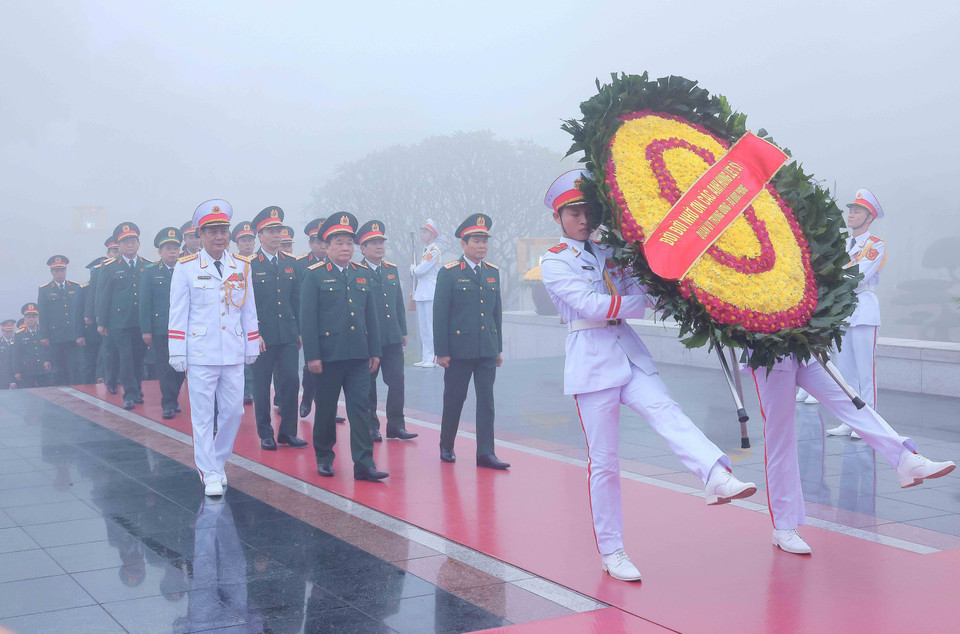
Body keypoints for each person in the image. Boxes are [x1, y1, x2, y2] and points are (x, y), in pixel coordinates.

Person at [539, 170, 757, 582]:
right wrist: (640, 299)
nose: (584, 220)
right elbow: (589, 304)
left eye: (589, 211)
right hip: (591, 362)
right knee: (603, 463)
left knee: (667, 411)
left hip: (628, 353)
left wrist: (671, 280)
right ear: (559, 217)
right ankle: (612, 549)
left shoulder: (610, 251)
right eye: (574, 212)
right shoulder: (553, 259)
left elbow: (644, 287)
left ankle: (715, 475)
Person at [750, 356, 955, 554]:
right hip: (769, 355)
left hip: (806, 350)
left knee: (850, 401)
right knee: (780, 437)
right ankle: (784, 526)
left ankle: (905, 458)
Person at [168, 199, 260, 497]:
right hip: (200, 352)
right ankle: (209, 472)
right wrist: (177, 350)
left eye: (223, 230)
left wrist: (251, 341)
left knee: (233, 412)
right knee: (203, 416)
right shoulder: (186, 268)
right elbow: (178, 311)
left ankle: (218, 462)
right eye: (212, 231)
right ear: (201, 235)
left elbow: (248, 309)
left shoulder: (241, 266)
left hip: (232, 350)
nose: (219, 237)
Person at [300, 212, 387, 481]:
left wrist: (375, 351)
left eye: (349, 243)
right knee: (326, 408)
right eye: (339, 242)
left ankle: (364, 463)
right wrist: (312, 356)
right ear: (326, 247)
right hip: (328, 356)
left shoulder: (361, 274)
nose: (345, 248)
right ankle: (325, 457)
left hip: (359, 355)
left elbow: (370, 316)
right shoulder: (314, 276)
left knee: (361, 408)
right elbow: (308, 319)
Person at [434, 214, 509, 469]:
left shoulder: (492, 273)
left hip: (486, 348)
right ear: (463, 244)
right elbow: (440, 314)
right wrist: (441, 351)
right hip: (458, 350)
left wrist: (497, 348)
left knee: (486, 402)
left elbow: (495, 313)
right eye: (476, 241)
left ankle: (486, 452)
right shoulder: (450, 273)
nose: (482, 246)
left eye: (484, 241)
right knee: (454, 399)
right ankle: (446, 444)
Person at [827, 188, 886, 438]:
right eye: (851, 210)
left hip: (863, 310)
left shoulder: (875, 245)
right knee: (846, 371)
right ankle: (851, 420)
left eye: (858, 211)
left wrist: (832, 273)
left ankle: (869, 420)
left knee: (865, 370)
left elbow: (857, 274)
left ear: (869, 217)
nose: (851, 215)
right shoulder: (844, 244)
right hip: (844, 311)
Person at [249, 206, 308, 451]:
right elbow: (247, 305)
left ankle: (288, 432)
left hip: (287, 334)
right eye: (271, 231)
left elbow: (297, 300)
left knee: (291, 381)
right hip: (262, 336)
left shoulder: (291, 263)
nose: (276, 235)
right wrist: (254, 333)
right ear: (260, 236)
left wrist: (300, 331)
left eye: (279, 230)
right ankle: (265, 432)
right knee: (261, 385)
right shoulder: (250, 264)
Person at [358, 220, 417, 442]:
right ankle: (372, 426)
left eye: (381, 242)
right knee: (369, 385)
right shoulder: (357, 272)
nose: (379, 246)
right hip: (368, 339)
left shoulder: (391, 270)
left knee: (397, 382)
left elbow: (398, 304)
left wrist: (402, 330)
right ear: (362, 248)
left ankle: (396, 425)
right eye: (372, 243)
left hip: (392, 337)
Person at [96, 223, 153, 410]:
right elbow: (104, 296)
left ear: (138, 243)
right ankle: (129, 393)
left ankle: (137, 388)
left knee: (139, 357)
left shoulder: (147, 265)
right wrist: (102, 322)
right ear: (118, 246)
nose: (130, 245)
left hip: (140, 321)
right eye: (125, 242)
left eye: (133, 241)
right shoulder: (110, 267)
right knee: (126, 358)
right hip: (118, 322)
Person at [139, 227, 187, 419]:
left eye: (175, 247)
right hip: (161, 328)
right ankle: (168, 403)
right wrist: (146, 330)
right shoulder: (150, 273)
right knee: (165, 366)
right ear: (160, 252)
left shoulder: (186, 269)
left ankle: (173, 396)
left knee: (181, 367)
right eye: (168, 248)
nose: (172, 251)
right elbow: (145, 303)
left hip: (183, 328)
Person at [296, 218, 327, 418]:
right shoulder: (300, 264)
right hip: (310, 323)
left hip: (331, 323)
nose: (322, 246)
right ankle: (307, 396)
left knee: (331, 367)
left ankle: (327, 408)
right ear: (310, 244)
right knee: (311, 365)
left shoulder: (336, 262)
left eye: (324, 242)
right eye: (317, 242)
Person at [37, 255, 82, 385]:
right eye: (56, 270)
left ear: (65, 271)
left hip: (73, 335)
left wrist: (80, 333)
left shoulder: (75, 287)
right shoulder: (45, 290)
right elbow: (43, 315)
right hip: (55, 336)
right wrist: (44, 336)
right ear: (51, 272)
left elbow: (79, 312)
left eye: (62, 270)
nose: (59, 273)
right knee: (58, 369)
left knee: (74, 368)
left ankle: (77, 395)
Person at [87, 237, 120, 391]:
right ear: (108, 253)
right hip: (107, 316)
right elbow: (94, 294)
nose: (116, 253)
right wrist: (95, 315)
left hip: (125, 315)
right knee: (108, 348)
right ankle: (110, 377)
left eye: (117, 250)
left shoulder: (129, 267)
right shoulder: (100, 269)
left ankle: (123, 377)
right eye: (113, 251)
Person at [232, 221, 257, 405]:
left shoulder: (260, 262)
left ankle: (253, 388)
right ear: (237, 244)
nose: (248, 244)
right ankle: (245, 389)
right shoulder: (233, 264)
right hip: (239, 316)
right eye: (244, 240)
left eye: (250, 240)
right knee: (242, 356)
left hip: (258, 316)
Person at [411, 219, 441, 367]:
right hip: (422, 291)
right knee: (423, 327)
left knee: (430, 326)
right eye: (422, 232)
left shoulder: (434, 252)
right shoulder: (426, 251)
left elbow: (420, 270)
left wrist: (413, 269)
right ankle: (426, 356)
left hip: (430, 290)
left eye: (425, 232)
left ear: (433, 235)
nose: (422, 235)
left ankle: (433, 357)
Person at [76, 258, 106, 384]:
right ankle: (87, 390)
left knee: (106, 362)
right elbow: (77, 313)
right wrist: (79, 334)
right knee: (89, 365)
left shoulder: (110, 286)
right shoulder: (84, 289)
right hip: (90, 334)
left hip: (107, 331)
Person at [12, 303, 50, 388]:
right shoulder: (19, 335)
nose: (31, 319)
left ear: (38, 318)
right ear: (25, 319)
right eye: (29, 317)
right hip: (27, 371)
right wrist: (16, 371)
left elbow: (49, 349)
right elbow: (16, 354)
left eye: (34, 317)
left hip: (43, 371)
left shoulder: (44, 332)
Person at [0, 319, 17, 389]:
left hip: (16, 377)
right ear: (2, 331)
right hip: (2, 377)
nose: (9, 333)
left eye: (11, 331)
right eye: (7, 331)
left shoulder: (17, 342)